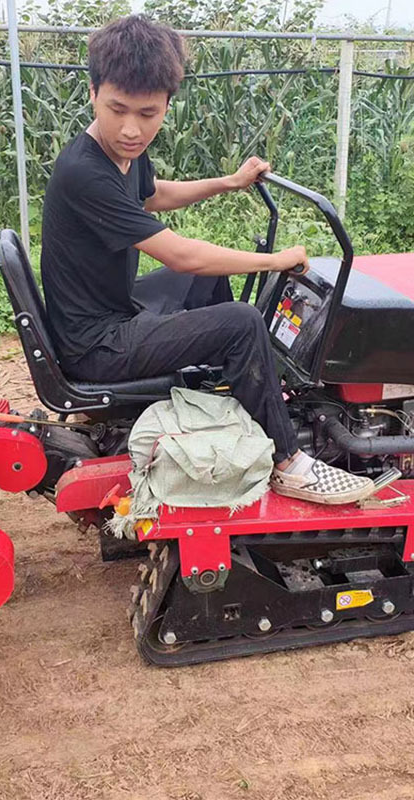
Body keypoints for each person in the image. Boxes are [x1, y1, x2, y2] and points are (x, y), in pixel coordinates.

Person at [40, 14, 374, 505]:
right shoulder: (83, 171)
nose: (132, 128)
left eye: (148, 114)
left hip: (107, 314)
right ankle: (289, 462)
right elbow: (180, 253)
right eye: (118, 109)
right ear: (92, 93)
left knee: (196, 290)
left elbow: (152, 195)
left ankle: (224, 398)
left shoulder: (122, 154)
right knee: (240, 322)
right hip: (97, 345)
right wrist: (277, 259)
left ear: (167, 104)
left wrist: (229, 182)